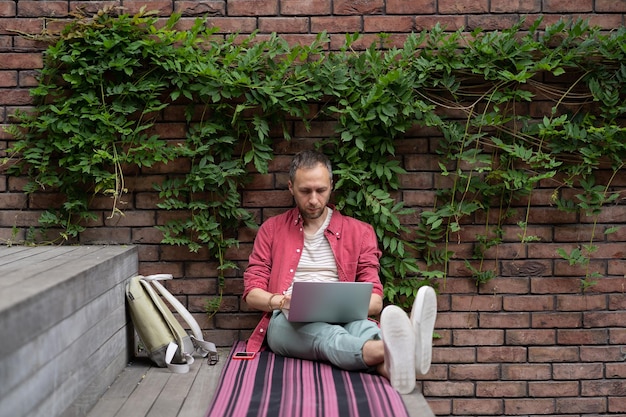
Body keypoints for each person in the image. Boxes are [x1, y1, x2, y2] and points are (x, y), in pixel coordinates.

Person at [243, 149, 437, 394]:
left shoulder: (360, 232)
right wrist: (281, 301)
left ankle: (398, 368)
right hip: (286, 322)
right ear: (291, 187)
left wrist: (340, 307)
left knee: (368, 330)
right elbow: (251, 292)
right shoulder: (272, 230)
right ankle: (403, 347)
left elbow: (376, 302)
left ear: (331, 186)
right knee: (329, 336)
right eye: (305, 191)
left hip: (349, 317)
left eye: (321, 190)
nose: (313, 199)